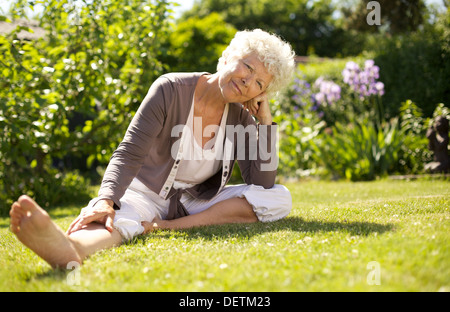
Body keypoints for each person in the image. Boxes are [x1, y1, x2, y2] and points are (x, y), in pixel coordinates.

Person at [9, 29, 296, 269]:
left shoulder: (242, 118)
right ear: (229, 57)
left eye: (259, 83)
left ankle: (170, 227)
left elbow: (261, 184)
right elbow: (129, 151)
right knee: (117, 217)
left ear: (260, 94)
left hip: (195, 201)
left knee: (279, 198)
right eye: (247, 66)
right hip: (146, 191)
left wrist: (265, 123)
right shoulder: (170, 89)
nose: (248, 81)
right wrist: (106, 199)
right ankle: (71, 248)